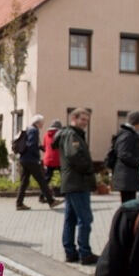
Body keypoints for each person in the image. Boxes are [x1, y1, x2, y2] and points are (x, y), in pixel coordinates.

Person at [54, 108, 98, 264]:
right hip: (77, 182)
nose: (85, 123)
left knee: (71, 219)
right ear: (74, 118)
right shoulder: (72, 135)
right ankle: (84, 253)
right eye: (83, 119)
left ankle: (71, 252)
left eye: (87, 120)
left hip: (73, 182)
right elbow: (74, 156)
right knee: (84, 219)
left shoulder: (71, 134)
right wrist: (88, 168)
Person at [16, 115, 60, 210]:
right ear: (37, 122)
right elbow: (31, 145)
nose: (42, 124)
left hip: (24, 159)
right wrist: (37, 157)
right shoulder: (34, 130)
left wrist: (40, 147)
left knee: (24, 182)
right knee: (42, 180)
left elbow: (30, 144)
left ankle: (19, 203)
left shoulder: (28, 129)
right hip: (31, 160)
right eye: (42, 123)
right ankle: (51, 201)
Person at [112, 111, 139, 203]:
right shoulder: (128, 135)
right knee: (128, 203)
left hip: (128, 176)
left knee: (129, 202)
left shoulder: (128, 134)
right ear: (137, 123)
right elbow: (123, 154)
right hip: (127, 177)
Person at [39, 120, 62, 202]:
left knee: (47, 179)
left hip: (48, 159)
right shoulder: (60, 134)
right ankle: (69, 195)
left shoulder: (46, 135)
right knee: (65, 177)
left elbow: (45, 147)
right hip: (59, 159)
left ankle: (41, 196)